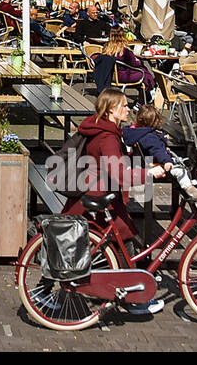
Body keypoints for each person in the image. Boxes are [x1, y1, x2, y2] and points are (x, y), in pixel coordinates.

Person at [60, 90, 157, 311]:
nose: (128, 109)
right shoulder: (108, 137)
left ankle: (132, 296)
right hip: (101, 198)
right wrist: (149, 174)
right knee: (121, 241)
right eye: (124, 105)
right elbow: (119, 174)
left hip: (93, 194)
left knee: (120, 242)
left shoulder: (101, 127)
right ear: (111, 109)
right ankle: (133, 298)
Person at [121, 105, 197, 202]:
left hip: (140, 162)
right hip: (153, 165)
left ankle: (189, 184)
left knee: (177, 160)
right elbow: (157, 150)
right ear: (156, 121)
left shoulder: (134, 131)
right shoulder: (150, 137)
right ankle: (189, 188)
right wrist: (166, 161)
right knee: (179, 169)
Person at [93, 27, 156, 100]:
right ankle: (143, 100)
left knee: (143, 73)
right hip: (124, 76)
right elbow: (135, 64)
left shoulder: (107, 48)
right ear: (123, 36)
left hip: (113, 75)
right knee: (145, 75)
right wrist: (138, 60)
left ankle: (144, 98)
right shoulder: (125, 51)